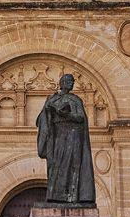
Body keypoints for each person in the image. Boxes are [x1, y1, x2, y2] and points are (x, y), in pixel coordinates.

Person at [36, 74, 96, 205]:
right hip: (56, 135)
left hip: (72, 135)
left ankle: (71, 196)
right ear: (62, 83)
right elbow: (41, 118)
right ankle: (55, 196)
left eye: (72, 81)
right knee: (55, 166)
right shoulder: (52, 98)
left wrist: (66, 115)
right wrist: (48, 111)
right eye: (69, 81)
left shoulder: (75, 100)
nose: (71, 83)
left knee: (70, 165)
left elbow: (80, 117)